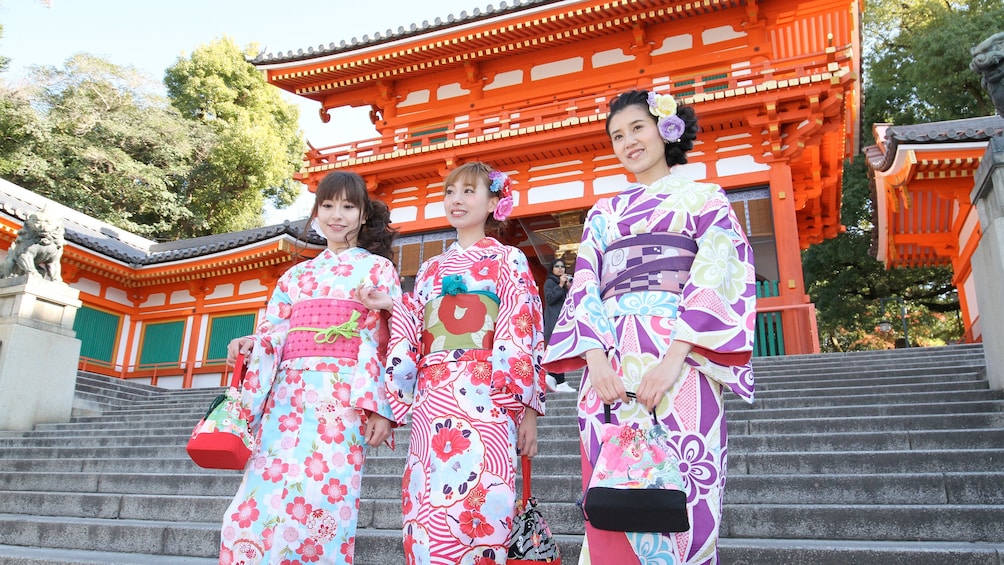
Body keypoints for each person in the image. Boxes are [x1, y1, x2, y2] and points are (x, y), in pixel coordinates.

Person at [542, 89, 756, 564]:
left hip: (682, 356)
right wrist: (594, 360)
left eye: (637, 127)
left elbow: (719, 270)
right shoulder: (603, 212)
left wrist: (674, 358)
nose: (628, 141)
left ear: (667, 127)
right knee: (613, 495)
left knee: (687, 487)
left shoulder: (705, 198)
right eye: (617, 135)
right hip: (610, 360)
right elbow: (585, 284)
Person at [361, 161, 547, 565]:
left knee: (486, 497)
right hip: (433, 398)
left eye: (468, 191)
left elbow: (523, 329)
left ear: (494, 201)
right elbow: (413, 327)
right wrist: (392, 304)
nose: (456, 200)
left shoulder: (509, 259)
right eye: (450, 192)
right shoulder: (430, 268)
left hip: (488, 394)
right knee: (425, 504)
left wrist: (528, 410)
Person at [218, 171, 402, 565]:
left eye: (348, 206)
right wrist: (252, 344)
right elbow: (274, 334)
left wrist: (379, 406)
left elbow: (383, 338)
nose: (337, 215)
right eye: (328, 205)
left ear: (363, 214)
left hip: (342, 399)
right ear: (316, 211)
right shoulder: (295, 276)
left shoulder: (377, 270)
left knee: (325, 499)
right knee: (261, 495)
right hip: (286, 398)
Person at [542, 258, 574, 393]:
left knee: (560, 350)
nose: (560, 268)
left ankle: (554, 378)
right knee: (558, 350)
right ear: (552, 269)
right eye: (557, 266)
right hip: (554, 322)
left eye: (562, 266)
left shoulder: (562, 282)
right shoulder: (550, 282)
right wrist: (560, 286)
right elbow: (549, 298)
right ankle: (558, 381)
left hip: (562, 320)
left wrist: (568, 288)